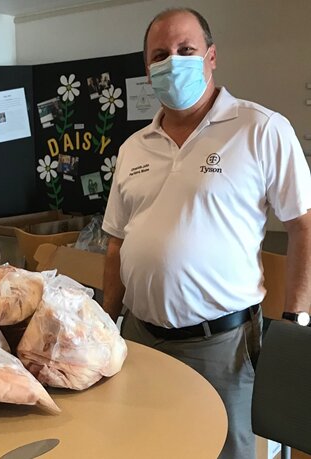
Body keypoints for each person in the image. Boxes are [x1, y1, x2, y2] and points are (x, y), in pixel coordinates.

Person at [102, 8, 311, 459]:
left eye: (186, 50)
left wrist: (296, 321)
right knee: (145, 447)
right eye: (160, 55)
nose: (172, 62)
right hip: (139, 338)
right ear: (147, 69)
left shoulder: (260, 129)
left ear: (211, 57)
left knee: (225, 450)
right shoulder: (133, 147)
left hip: (221, 345)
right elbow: (116, 241)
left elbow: (303, 225)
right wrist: (105, 324)